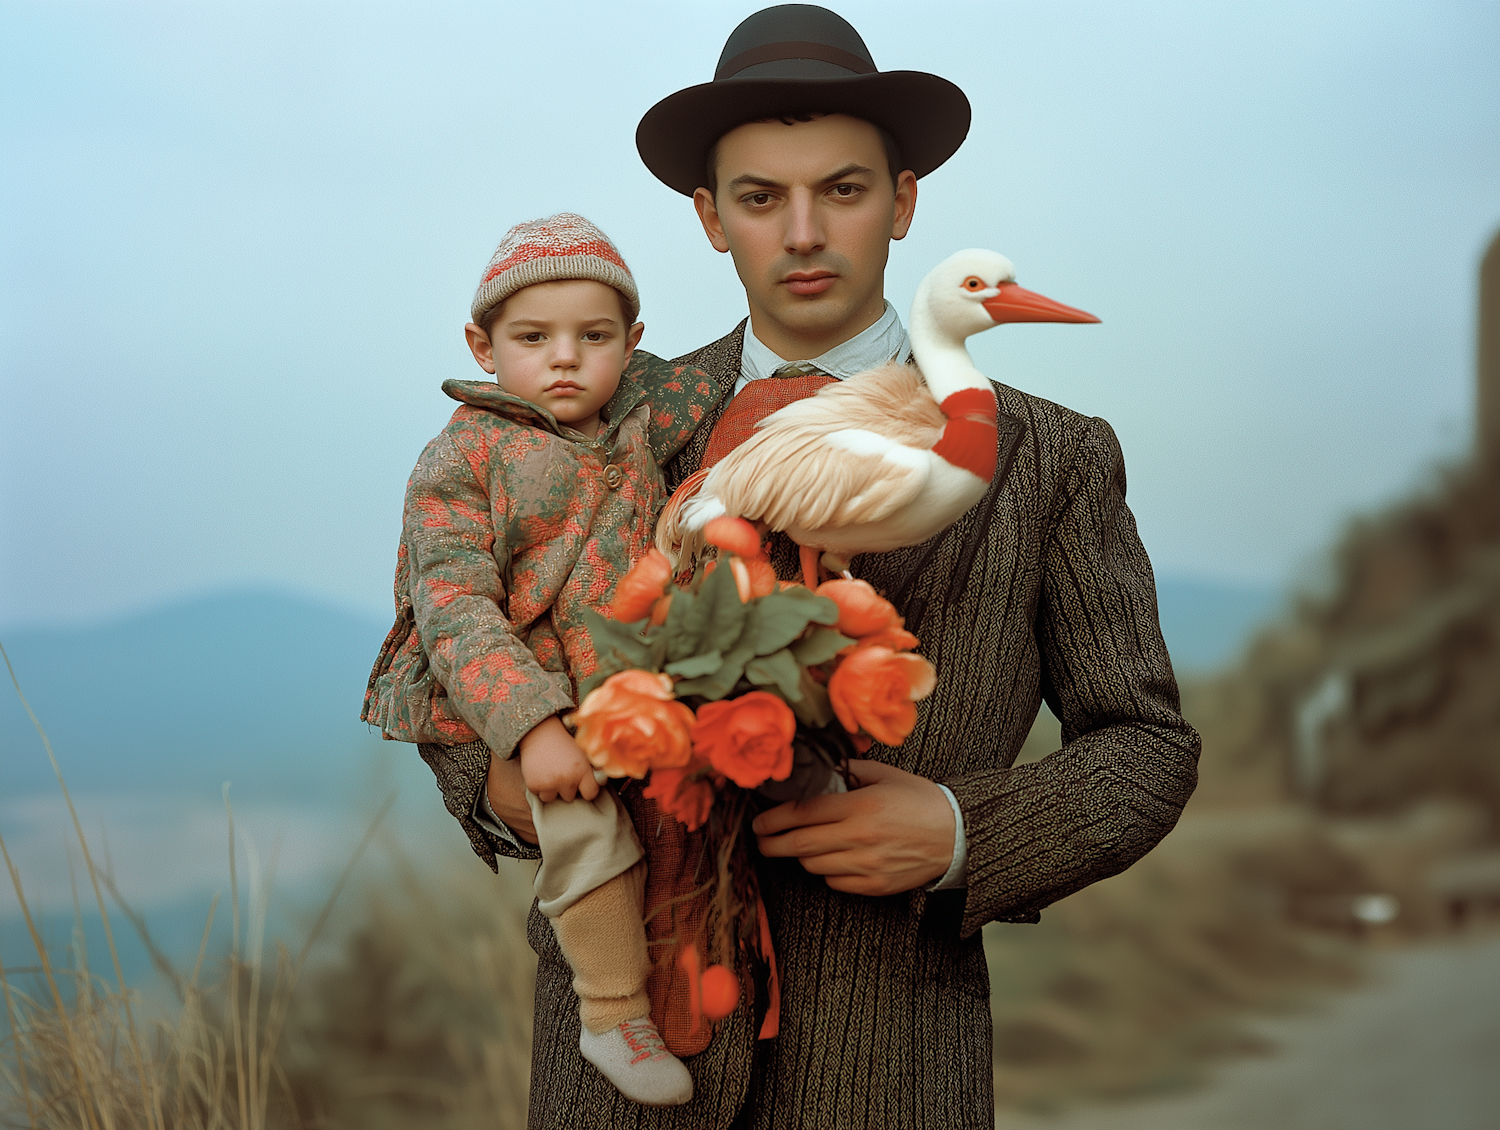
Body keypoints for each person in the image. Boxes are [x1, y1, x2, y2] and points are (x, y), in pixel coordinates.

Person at [432, 7, 1201, 1128]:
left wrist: (960, 831)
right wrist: (501, 781)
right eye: (759, 198)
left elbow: (1146, 746)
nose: (802, 232)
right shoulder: (594, 413)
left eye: (842, 190)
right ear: (708, 219)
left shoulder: (1055, 455)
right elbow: (448, 642)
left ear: (904, 201)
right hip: (614, 1070)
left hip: (888, 1068)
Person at [361, 213, 723, 1108]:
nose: (565, 359)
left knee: (670, 817)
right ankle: (611, 1011)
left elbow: (702, 390)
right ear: (483, 347)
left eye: (593, 338)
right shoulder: (462, 456)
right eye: (533, 338)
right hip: (510, 686)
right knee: (583, 821)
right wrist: (531, 731)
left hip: (618, 678)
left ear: (630, 345)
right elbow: (454, 609)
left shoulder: (634, 421)